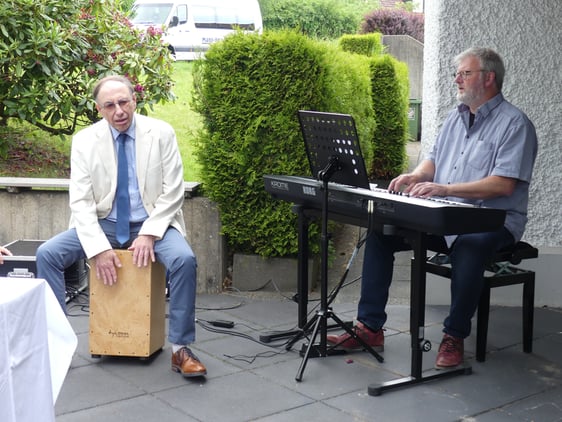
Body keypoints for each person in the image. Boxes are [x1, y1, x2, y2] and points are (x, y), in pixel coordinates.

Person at [327, 47, 538, 368]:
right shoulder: (455, 117)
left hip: (493, 222)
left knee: (470, 243)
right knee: (381, 231)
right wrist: (415, 176)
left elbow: (503, 184)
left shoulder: (515, 124)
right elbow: (433, 162)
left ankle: (454, 335)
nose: (457, 79)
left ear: (489, 78)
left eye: (465, 73)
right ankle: (369, 328)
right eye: (458, 74)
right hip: (445, 216)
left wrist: (444, 188)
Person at [36, 75, 206, 378]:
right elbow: (81, 201)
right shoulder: (85, 141)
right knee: (47, 254)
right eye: (110, 105)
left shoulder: (161, 133)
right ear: (99, 109)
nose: (119, 111)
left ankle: (181, 348)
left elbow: (174, 191)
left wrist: (150, 233)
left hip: (152, 222)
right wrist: (99, 249)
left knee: (184, 260)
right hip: (104, 224)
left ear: (134, 101)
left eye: (124, 102)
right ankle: (56, 344)